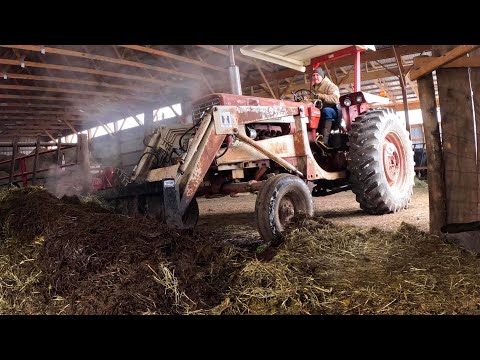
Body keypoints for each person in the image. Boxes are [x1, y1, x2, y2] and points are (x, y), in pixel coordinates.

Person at [311, 67, 340, 145]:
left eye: (317, 75)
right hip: (319, 110)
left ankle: (324, 140)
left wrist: (322, 96)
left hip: (333, 110)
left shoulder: (330, 85)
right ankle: (312, 137)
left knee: (326, 111)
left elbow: (335, 99)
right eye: (313, 75)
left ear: (322, 76)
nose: (315, 77)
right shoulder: (314, 88)